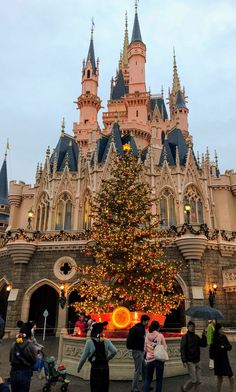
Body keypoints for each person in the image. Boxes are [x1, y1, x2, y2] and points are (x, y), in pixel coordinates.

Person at [77, 321, 117, 392]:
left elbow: (83, 358)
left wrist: (78, 368)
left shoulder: (89, 342)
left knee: (95, 388)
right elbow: (114, 351)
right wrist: (107, 359)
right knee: (104, 388)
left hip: (95, 369)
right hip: (105, 368)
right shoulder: (106, 340)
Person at [180, 320, 207, 392]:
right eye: (191, 326)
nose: (192, 328)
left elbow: (204, 344)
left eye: (193, 326)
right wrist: (184, 360)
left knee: (199, 381)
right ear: (188, 327)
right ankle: (184, 388)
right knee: (194, 380)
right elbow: (182, 349)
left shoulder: (196, 336)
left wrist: (204, 335)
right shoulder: (185, 337)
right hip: (190, 361)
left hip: (197, 360)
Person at [9, 324, 37, 392]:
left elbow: (10, 359)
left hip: (14, 372)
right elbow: (34, 360)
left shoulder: (14, 344)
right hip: (25, 372)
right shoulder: (30, 345)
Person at [126, 314, 150, 392]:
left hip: (138, 351)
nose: (148, 323)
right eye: (147, 321)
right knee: (138, 370)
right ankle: (134, 388)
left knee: (144, 367)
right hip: (138, 351)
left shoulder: (137, 327)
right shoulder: (140, 329)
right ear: (144, 321)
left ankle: (145, 385)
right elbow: (141, 340)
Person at [143, 320, 167, 392]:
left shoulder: (147, 336)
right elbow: (165, 346)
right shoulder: (160, 335)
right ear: (157, 327)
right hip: (159, 359)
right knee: (159, 380)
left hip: (150, 360)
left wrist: (150, 350)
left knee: (148, 379)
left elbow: (145, 348)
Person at [212, 323, 234, 392]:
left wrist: (224, 347)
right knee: (220, 379)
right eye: (221, 329)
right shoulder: (215, 339)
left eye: (223, 328)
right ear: (218, 330)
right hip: (218, 361)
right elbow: (216, 350)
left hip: (225, 360)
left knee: (231, 377)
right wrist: (222, 347)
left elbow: (230, 347)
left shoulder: (224, 337)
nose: (222, 330)